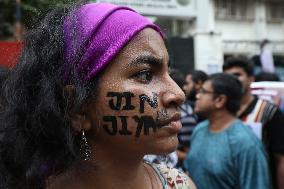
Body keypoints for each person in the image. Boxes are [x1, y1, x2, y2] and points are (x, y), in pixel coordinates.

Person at [0, 2, 196, 189]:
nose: (178, 94)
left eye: (168, 72)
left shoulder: (180, 185)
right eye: (145, 74)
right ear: (77, 108)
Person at [184, 73, 269, 189]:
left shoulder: (246, 143)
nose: (198, 96)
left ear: (220, 100)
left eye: (203, 92)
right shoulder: (199, 130)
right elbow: (191, 171)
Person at [223, 56, 284, 189]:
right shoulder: (220, 113)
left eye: (237, 75)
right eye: (228, 77)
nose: (232, 81)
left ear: (251, 79)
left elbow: (280, 159)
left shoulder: (269, 112)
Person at [176, 70, 208, 170]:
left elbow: (189, 154)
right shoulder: (189, 107)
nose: (186, 88)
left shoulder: (187, 116)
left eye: (188, 83)